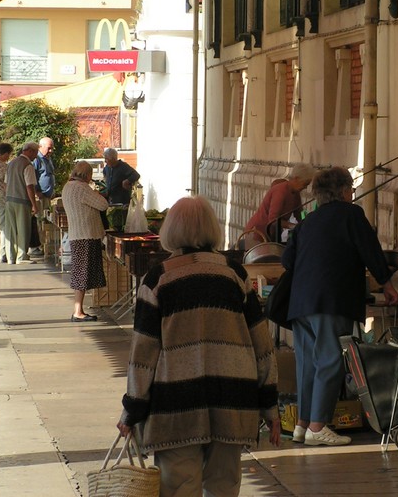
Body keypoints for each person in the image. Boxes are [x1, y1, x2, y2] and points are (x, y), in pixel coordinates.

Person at [117, 195, 281, 496]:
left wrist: (133, 408)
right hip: (232, 400)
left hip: (177, 406)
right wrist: (269, 404)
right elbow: (262, 343)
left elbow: (143, 353)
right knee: (223, 487)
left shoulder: (158, 279)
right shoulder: (236, 275)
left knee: (179, 487)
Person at [282, 167, 398, 446]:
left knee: (307, 364)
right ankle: (317, 426)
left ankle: (302, 425)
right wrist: (387, 283)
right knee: (330, 361)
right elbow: (370, 250)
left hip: (301, 303)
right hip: (331, 300)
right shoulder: (351, 215)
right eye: (351, 190)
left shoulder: (307, 222)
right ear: (345, 191)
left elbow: (288, 261)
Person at [62, 161, 108, 322]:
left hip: (77, 234)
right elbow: (103, 205)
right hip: (86, 235)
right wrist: (99, 194)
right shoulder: (82, 188)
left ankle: (79, 309)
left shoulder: (68, 186)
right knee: (82, 273)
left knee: (80, 272)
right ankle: (77, 311)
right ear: (88, 175)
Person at [244, 162, 315, 244]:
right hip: (258, 233)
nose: (305, 187)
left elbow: (299, 215)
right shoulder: (280, 191)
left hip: (273, 233)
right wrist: (293, 226)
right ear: (296, 179)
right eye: (305, 184)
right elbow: (273, 220)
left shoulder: (295, 193)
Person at [4, 142, 40, 264]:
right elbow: (29, 186)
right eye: (35, 152)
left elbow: (5, 184)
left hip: (9, 200)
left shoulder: (11, 164)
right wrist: (34, 204)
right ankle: (22, 256)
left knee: (11, 230)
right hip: (22, 201)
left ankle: (11, 257)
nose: (36, 156)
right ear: (29, 151)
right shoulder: (27, 165)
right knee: (23, 229)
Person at [29, 136, 55, 256]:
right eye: (49, 148)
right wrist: (36, 192)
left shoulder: (48, 159)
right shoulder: (37, 160)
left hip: (47, 196)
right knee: (40, 221)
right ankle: (38, 246)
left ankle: (46, 245)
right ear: (41, 147)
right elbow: (32, 178)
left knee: (47, 221)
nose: (51, 151)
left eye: (52, 148)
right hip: (39, 196)